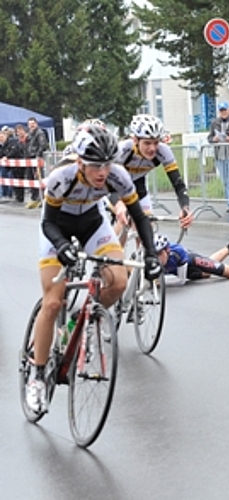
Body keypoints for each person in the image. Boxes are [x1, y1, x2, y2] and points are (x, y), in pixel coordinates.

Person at [25, 124, 162, 413]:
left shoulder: (118, 177)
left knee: (119, 281)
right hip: (57, 230)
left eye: (107, 164)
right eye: (95, 166)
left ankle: (82, 319)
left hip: (92, 225)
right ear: (79, 163)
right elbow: (48, 222)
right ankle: (36, 375)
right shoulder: (60, 178)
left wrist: (150, 254)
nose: (102, 172)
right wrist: (62, 246)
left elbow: (139, 215)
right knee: (52, 302)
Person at [114, 114, 193, 243]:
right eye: (147, 143)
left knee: (146, 228)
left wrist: (185, 208)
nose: (152, 148)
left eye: (156, 143)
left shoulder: (163, 151)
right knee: (122, 222)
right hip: (115, 186)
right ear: (135, 140)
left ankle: (143, 258)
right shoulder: (123, 149)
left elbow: (178, 185)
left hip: (138, 185)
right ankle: (113, 260)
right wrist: (119, 203)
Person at [155, 233, 229, 285]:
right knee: (206, 272)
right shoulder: (148, 258)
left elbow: (181, 280)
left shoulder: (177, 254)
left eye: (159, 254)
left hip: (192, 262)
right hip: (183, 271)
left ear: (167, 251)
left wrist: (159, 282)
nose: (157, 258)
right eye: (154, 254)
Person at [25, 117, 48, 209]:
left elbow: (43, 145)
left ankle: (42, 198)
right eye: (30, 124)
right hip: (30, 159)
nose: (31, 125)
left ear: (36, 124)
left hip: (37, 159)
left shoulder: (40, 133)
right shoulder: (29, 134)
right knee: (31, 178)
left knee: (40, 178)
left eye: (33, 123)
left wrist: (37, 156)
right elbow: (27, 146)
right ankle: (34, 197)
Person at [0, 127, 21, 199]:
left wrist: (7, 157)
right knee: (3, 177)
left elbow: (14, 151)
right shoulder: (2, 145)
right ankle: (4, 195)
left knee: (12, 178)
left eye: (2, 137)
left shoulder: (12, 141)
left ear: (5, 136)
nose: (1, 139)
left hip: (15, 164)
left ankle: (10, 195)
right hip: (6, 165)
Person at [12, 124, 29, 203]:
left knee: (28, 179)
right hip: (17, 162)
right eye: (17, 131)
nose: (19, 133)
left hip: (26, 161)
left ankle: (33, 196)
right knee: (17, 179)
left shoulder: (28, 139)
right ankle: (19, 196)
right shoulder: (16, 141)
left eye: (20, 131)